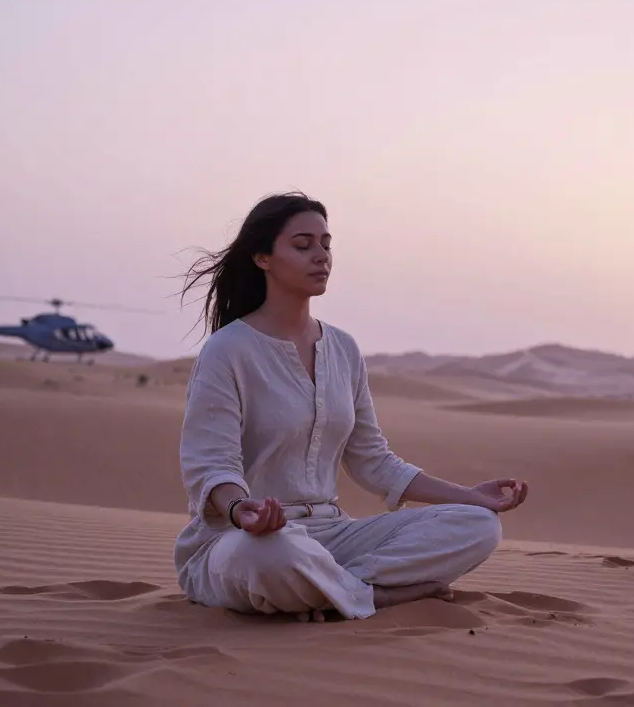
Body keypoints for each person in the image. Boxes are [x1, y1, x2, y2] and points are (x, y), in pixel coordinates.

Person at [173, 191, 528, 621]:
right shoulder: (226, 350)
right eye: (303, 245)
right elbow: (212, 465)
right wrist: (238, 508)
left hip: (333, 534)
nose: (321, 256)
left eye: (326, 244)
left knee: (478, 525)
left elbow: (373, 461)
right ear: (263, 257)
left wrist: (469, 495)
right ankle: (374, 596)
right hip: (244, 539)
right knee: (270, 556)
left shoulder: (343, 348)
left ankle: (327, 590)